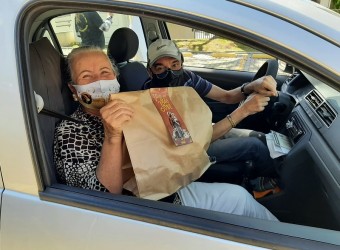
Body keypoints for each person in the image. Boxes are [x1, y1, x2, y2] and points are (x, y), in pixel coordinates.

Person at [53, 46, 278, 221]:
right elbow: (104, 202)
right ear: (74, 89)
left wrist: (246, 100)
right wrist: (112, 136)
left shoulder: (139, 104)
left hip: (169, 189)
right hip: (143, 213)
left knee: (240, 198)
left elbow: (185, 140)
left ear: (115, 78)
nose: (99, 81)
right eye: (86, 76)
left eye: (104, 73)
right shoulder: (71, 131)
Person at [143, 39, 278, 179]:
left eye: (174, 64)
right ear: (150, 72)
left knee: (260, 137)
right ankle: (271, 189)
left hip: (199, 130)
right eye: (160, 68)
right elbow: (194, 142)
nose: (169, 72)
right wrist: (244, 110)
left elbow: (226, 96)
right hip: (185, 150)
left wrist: (250, 86)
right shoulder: (151, 98)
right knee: (254, 146)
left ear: (182, 62)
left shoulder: (187, 78)